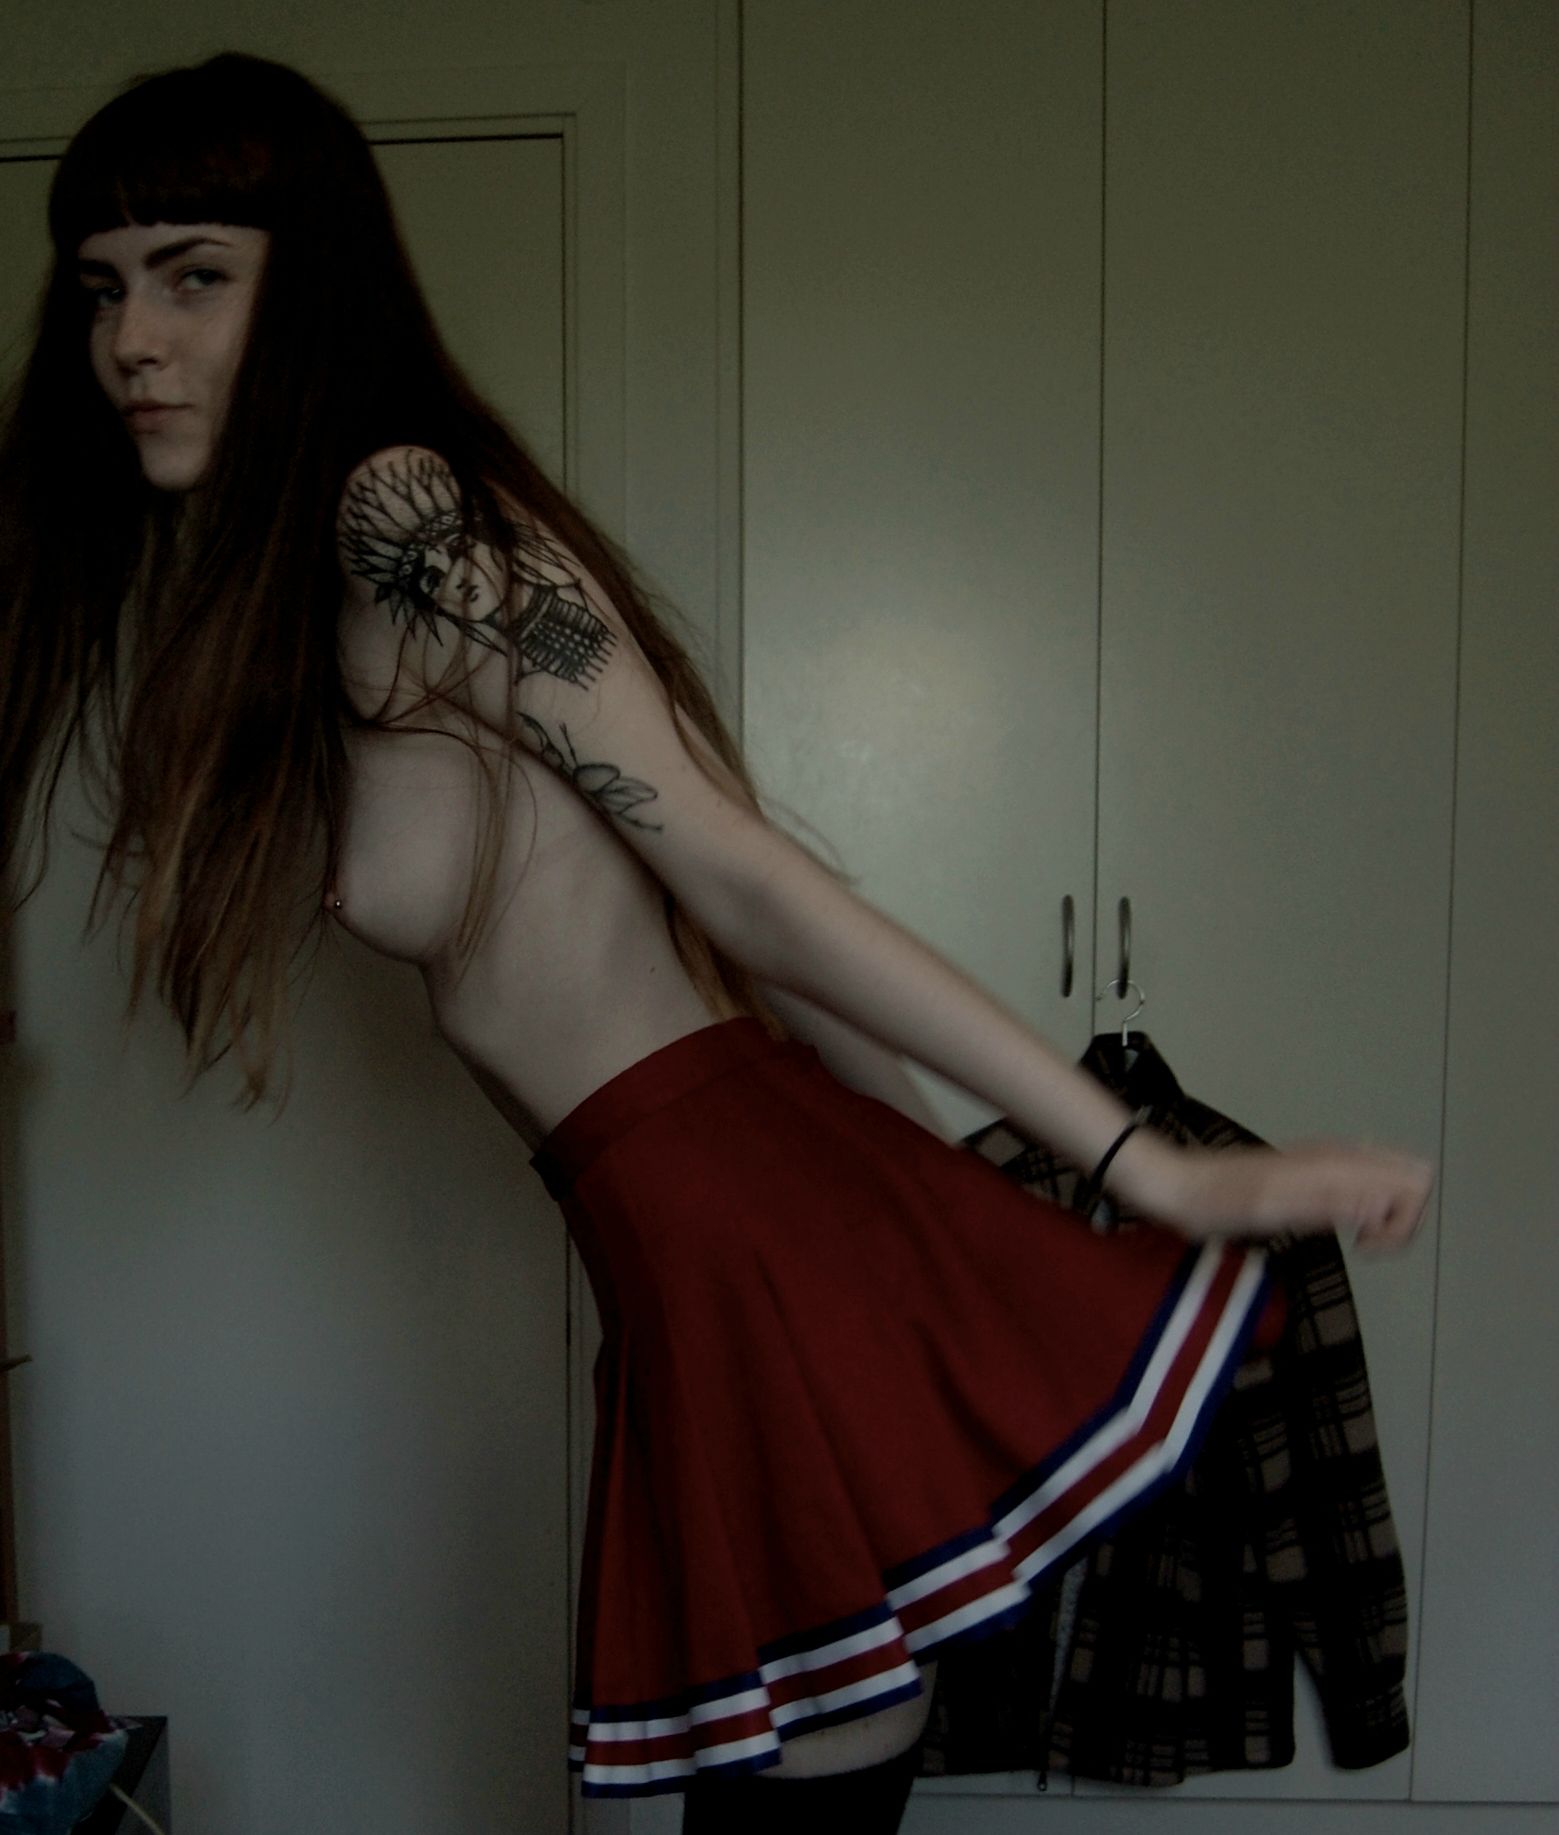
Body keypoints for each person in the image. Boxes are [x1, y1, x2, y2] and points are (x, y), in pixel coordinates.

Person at [0, 52, 1433, 1833]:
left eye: (195, 275)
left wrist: (1151, 1171)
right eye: (102, 289)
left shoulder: (402, 518)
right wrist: (934, 1193)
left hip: (744, 1240)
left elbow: (739, 876)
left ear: (316, 288)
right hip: (698, 1245)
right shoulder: (324, 575)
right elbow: (722, 936)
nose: (131, 341)